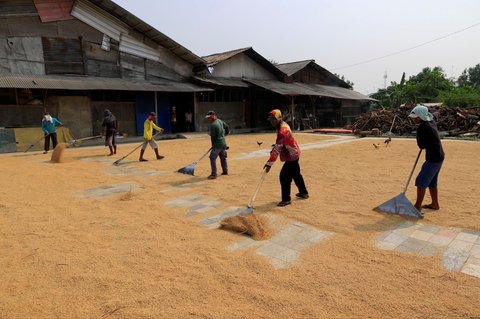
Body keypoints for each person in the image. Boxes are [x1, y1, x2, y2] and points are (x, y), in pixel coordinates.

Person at [264, 109, 309, 207]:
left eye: (273, 119)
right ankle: (304, 192)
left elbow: (277, 149)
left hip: (292, 155)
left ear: (278, 119)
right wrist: (277, 145)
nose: (271, 122)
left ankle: (286, 199)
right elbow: (280, 143)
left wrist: (269, 164)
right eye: (270, 120)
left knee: (284, 176)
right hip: (294, 153)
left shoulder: (282, 130)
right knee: (296, 174)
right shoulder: (281, 125)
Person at [408, 104, 445, 212]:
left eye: (416, 117)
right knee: (432, 182)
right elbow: (433, 115)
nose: (414, 119)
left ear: (421, 116)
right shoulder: (431, 122)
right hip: (439, 155)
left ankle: (417, 207)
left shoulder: (423, 128)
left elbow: (421, 146)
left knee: (421, 181)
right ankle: (435, 204)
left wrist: (419, 135)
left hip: (433, 158)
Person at [205, 110, 228, 179]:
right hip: (223, 143)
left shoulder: (213, 125)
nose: (208, 119)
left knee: (212, 157)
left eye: (209, 117)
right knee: (223, 157)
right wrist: (224, 135)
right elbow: (227, 127)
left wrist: (213, 145)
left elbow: (213, 137)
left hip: (217, 144)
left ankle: (214, 174)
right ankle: (225, 171)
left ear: (212, 117)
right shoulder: (220, 121)